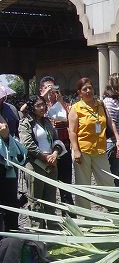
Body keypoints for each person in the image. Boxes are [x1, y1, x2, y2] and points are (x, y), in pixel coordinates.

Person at [68, 78, 118, 209]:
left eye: (90, 88)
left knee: (107, 180)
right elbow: (72, 132)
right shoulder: (76, 108)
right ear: (79, 93)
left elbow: (110, 122)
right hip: (82, 151)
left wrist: (118, 140)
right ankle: (86, 215)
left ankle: (113, 208)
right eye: (85, 89)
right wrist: (76, 150)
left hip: (100, 149)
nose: (88, 91)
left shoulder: (100, 105)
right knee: (83, 184)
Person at [19, 95, 64, 228]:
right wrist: (44, 157)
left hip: (51, 163)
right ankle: (37, 229)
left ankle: (52, 227)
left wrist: (55, 153)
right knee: (36, 199)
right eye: (38, 105)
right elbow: (27, 143)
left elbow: (56, 139)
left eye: (43, 104)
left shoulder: (47, 121)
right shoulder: (25, 122)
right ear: (32, 107)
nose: (42, 107)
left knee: (50, 197)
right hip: (35, 164)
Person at [39, 76, 75, 205]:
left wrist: (61, 101)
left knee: (66, 186)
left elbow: (71, 120)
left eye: (53, 87)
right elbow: (32, 115)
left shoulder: (63, 105)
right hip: (46, 152)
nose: (51, 91)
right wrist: (44, 97)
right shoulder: (39, 106)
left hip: (63, 149)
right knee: (47, 188)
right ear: (41, 90)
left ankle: (70, 216)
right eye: (48, 88)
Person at [0, 84, 25, 232]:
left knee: (10, 200)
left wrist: (6, 137)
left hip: (9, 164)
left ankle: (12, 233)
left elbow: (17, 134)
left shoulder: (11, 110)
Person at [103, 73, 119, 186]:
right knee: (115, 175)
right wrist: (118, 141)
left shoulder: (118, 100)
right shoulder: (109, 101)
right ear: (118, 85)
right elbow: (110, 123)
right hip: (114, 145)